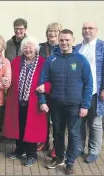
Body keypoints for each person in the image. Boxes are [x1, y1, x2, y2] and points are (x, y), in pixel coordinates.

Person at [39, 29, 93, 175]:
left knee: (74, 134)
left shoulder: (81, 60)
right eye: (61, 40)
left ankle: (70, 162)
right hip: (56, 104)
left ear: (73, 40)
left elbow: (89, 83)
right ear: (58, 40)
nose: (64, 42)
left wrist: (85, 105)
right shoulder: (51, 60)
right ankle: (59, 157)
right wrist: (42, 100)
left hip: (75, 105)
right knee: (57, 132)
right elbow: (42, 82)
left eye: (67, 40)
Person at [3, 36, 48, 167]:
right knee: (19, 127)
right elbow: (9, 77)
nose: (28, 49)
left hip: (34, 103)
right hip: (17, 101)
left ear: (36, 49)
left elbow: (49, 80)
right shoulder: (16, 61)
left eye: (30, 47)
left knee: (31, 130)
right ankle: (19, 150)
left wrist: (46, 87)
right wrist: (4, 80)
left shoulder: (42, 63)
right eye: (25, 47)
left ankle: (31, 155)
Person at [77, 22, 104, 163]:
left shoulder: (102, 47)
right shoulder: (77, 47)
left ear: (96, 30)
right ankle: (79, 148)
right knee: (80, 122)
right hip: (79, 93)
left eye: (90, 28)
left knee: (95, 123)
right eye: (84, 28)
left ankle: (93, 151)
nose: (87, 30)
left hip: (96, 92)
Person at [37, 22, 63, 156]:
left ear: (60, 34)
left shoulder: (63, 48)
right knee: (43, 117)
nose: (52, 34)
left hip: (58, 87)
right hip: (43, 87)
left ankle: (56, 145)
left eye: (55, 31)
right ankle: (44, 140)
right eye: (50, 31)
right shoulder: (41, 47)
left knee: (57, 119)